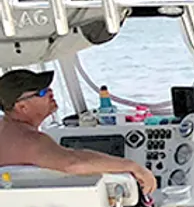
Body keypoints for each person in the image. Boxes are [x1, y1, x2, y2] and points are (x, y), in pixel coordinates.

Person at [0, 69, 155, 194]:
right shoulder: (30, 140)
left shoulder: (8, 132)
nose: (50, 92)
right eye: (41, 93)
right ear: (21, 107)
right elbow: (73, 163)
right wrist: (133, 166)